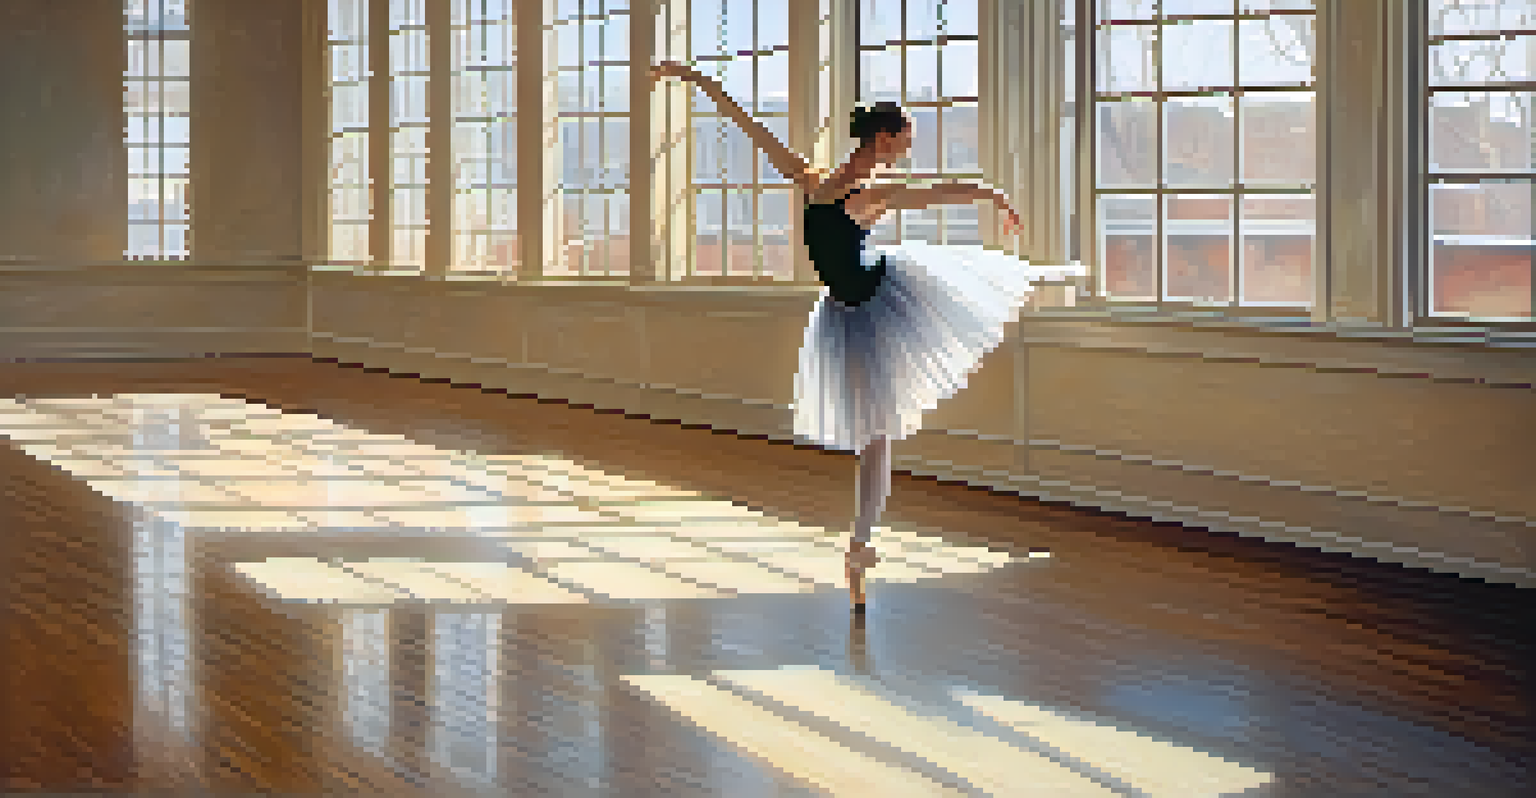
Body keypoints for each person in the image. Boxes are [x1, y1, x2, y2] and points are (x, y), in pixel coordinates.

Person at [650, 61, 1035, 612]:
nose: (907, 148)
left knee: (877, 435)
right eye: (905, 139)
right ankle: (860, 547)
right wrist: (694, 79)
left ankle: (860, 546)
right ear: (883, 138)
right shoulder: (838, 186)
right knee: (874, 435)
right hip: (851, 311)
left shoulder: (837, 186)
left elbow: (933, 192)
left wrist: (991, 194)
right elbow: (753, 128)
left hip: (875, 302)